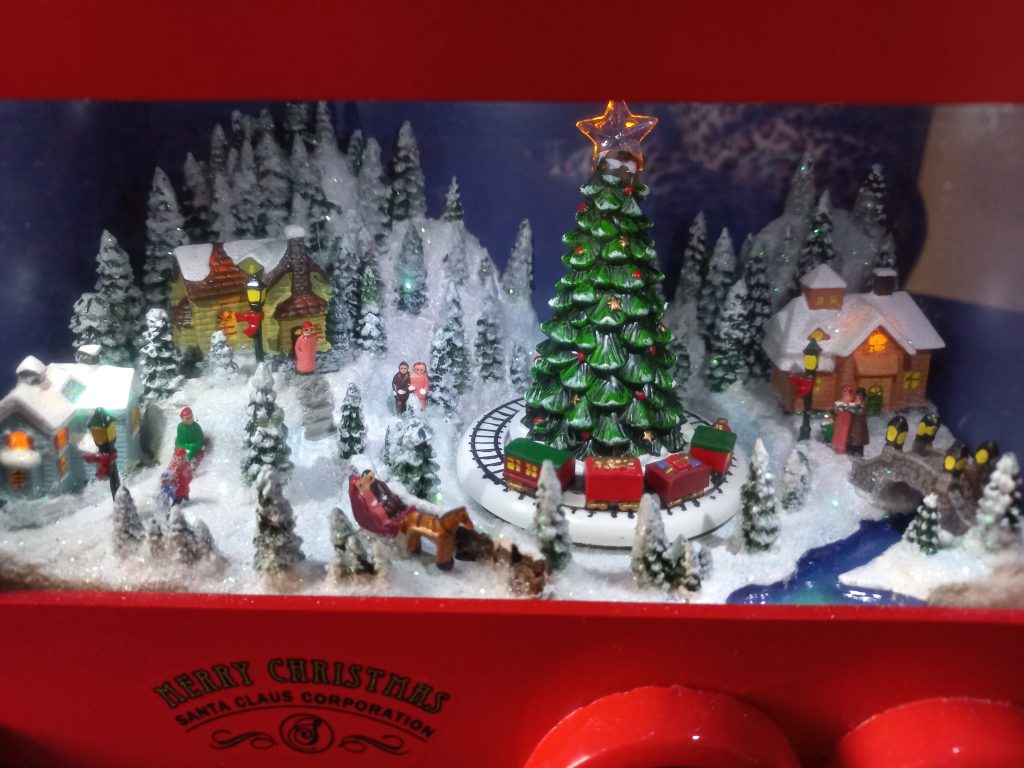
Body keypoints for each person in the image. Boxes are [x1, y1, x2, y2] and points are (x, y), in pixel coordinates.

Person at [846, 388, 870, 456]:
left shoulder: (863, 405)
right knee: (850, 444)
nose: (857, 397)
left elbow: (860, 412)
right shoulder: (854, 404)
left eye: (859, 396)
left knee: (858, 445)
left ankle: (857, 456)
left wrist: (854, 408)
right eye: (857, 395)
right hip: (852, 428)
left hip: (859, 430)